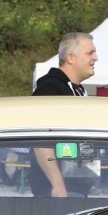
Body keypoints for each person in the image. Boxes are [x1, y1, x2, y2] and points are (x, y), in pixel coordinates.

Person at [30, 31, 98, 196]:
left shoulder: (76, 90)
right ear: (71, 58)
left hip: (74, 185)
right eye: (90, 53)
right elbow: (40, 140)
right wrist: (57, 185)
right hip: (59, 191)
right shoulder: (51, 88)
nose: (96, 58)